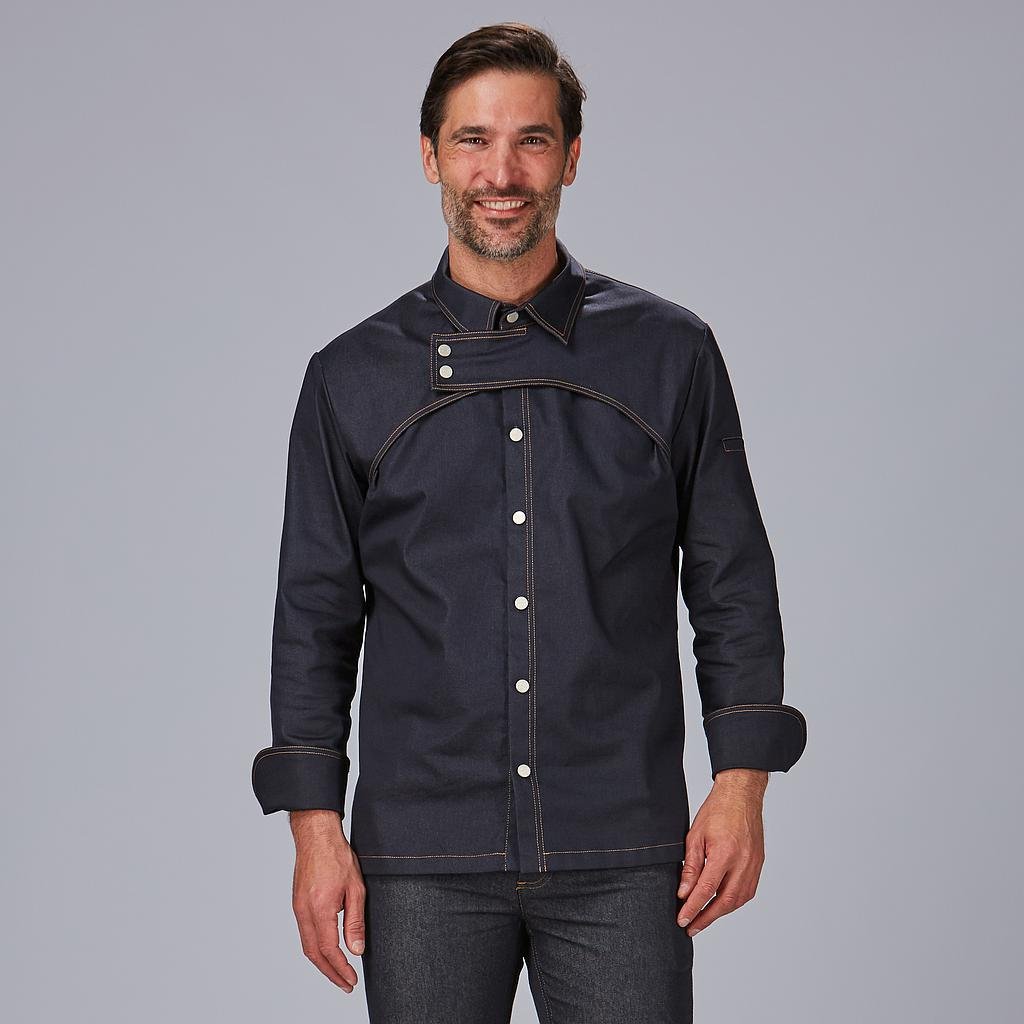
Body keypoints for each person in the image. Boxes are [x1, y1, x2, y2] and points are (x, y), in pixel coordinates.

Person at [250, 21, 807, 1023]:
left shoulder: (670, 355)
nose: (501, 173)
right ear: (430, 156)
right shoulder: (351, 377)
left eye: (532, 140)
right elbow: (314, 615)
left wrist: (741, 784)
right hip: (420, 856)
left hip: (623, 849)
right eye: (473, 139)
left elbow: (732, 582)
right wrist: (313, 826)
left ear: (572, 157)